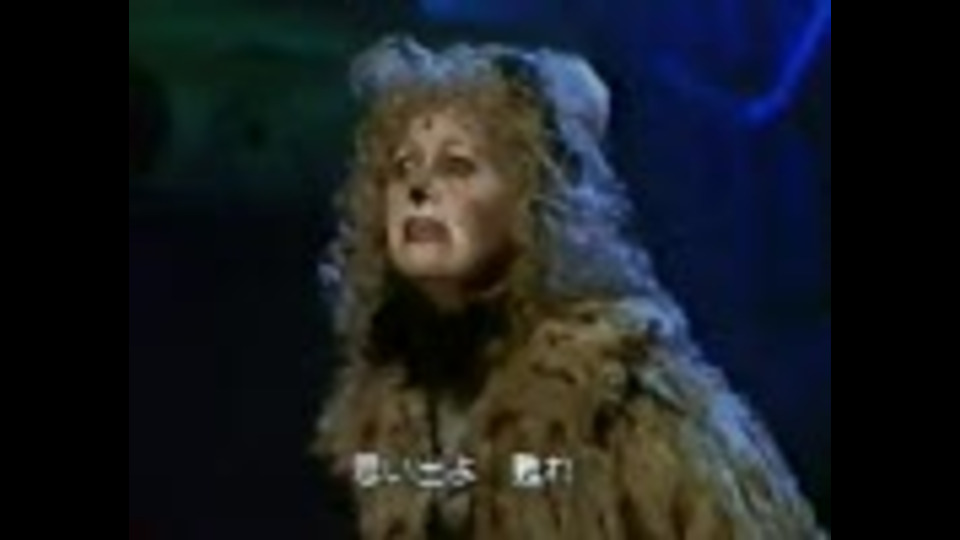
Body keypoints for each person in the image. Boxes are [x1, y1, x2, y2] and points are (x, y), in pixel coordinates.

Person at [313, 35, 824, 540]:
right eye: (403, 166)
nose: (418, 188)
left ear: (535, 202)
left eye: (458, 165)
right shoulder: (386, 403)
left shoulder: (625, 398)